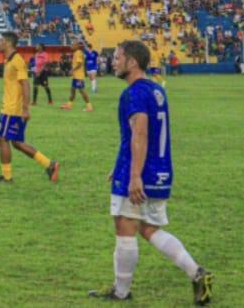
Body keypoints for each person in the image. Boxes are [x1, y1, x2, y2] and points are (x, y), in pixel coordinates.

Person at [89, 40, 213, 303]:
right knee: (148, 229)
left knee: (125, 227)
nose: (114, 61)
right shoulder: (156, 90)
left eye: (118, 57)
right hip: (161, 171)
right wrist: (119, 164)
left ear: (132, 62)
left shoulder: (133, 93)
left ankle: (121, 291)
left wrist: (133, 174)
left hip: (140, 172)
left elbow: (140, 133)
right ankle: (197, 273)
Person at [0, 32, 59, 184]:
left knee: (2, 139)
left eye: (1, 40)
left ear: (8, 43)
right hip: (9, 108)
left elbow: (25, 84)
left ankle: (7, 177)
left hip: (13, 109)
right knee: (16, 142)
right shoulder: (10, 60)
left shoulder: (17, 61)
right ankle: (49, 164)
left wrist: (25, 109)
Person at [61, 41, 93, 112]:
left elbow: (79, 64)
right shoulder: (76, 52)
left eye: (73, 45)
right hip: (76, 76)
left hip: (79, 76)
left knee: (82, 91)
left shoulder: (78, 53)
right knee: (72, 90)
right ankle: (69, 105)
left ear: (77, 46)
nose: (71, 46)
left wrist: (72, 70)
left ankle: (89, 106)